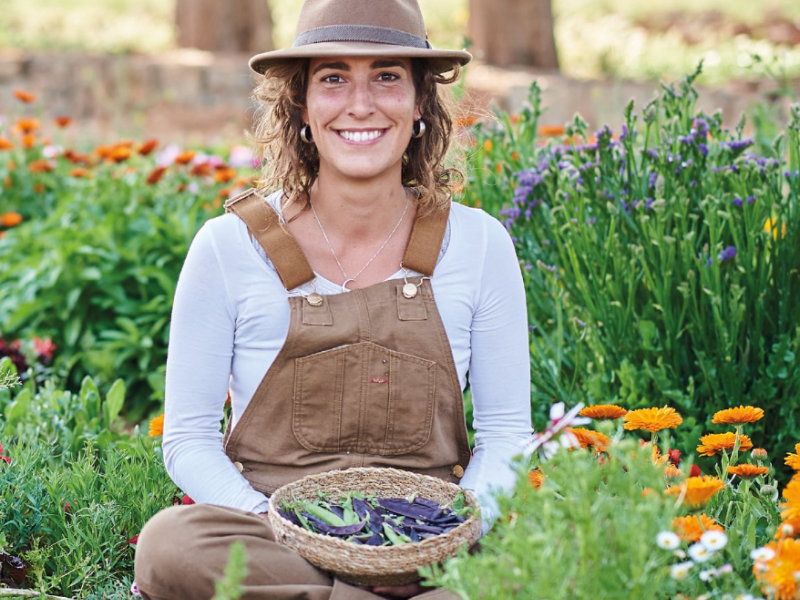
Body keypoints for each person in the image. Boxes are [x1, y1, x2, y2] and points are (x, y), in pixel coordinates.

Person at [133, 0, 532, 598]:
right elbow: (188, 438)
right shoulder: (230, 245)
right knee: (172, 546)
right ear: (301, 104)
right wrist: (282, 528)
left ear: (421, 102)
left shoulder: (478, 244)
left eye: (388, 77)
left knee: (550, 561)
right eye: (334, 77)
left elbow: (505, 435)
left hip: (426, 546)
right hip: (274, 536)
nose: (361, 103)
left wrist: (449, 532)